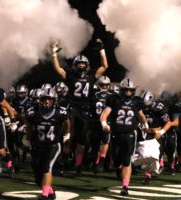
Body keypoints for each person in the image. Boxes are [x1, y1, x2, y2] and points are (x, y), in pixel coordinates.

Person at [52, 39, 108, 175]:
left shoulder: (91, 76)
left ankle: (77, 165)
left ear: (87, 65)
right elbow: (58, 69)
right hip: (73, 107)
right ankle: (63, 161)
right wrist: (54, 55)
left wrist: (102, 50)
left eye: (83, 63)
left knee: (82, 141)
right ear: (75, 65)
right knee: (68, 137)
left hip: (85, 110)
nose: (81, 65)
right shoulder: (71, 75)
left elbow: (104, 66)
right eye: (79, 63)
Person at [100, 77, 149, 196]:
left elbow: (141, 115)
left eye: (130, 90)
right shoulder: (114, 100)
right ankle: (117, 168)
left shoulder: (137, 102)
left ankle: (125, 186)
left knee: (127, 160)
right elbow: (104, 114)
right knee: (116, 159)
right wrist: (104, 123)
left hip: (130, 134)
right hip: (116, 133)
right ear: (121, 90)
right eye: (126, 89)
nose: (128, 92)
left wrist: (145, 124)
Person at [26, 88, 70, 200]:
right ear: (40, 100)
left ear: (54, 100)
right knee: (37, 175)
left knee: (47, 167)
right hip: (38, 145)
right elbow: (28, 123)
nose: (47, 102)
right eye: (45, 99)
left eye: (49, 99)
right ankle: (50, 192)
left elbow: (67, 122)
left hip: (53, 145)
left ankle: (44, 196)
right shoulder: (33, 111)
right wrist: (28, 138)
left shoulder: (60, 112)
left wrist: (67, 135)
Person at [139, 90, 171, 184]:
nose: (144, 108)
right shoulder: (140, 107)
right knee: (146, 154)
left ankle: (156, 166)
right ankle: (147, 175)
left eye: (146, 106)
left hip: (157, 132)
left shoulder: (159, 107)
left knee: (157, 154)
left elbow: (168, 122)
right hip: (146, 132)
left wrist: (161, 131)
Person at [90, 75, 112, 174]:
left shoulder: (95, 95)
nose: (104, 87)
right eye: (102, 85)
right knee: (96, 144)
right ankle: (98, 161)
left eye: (106, 85)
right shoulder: (111, 96)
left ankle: (101, 162)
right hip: (97, 122)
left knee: (105, 142)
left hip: (103, 122)